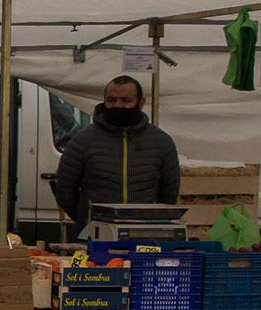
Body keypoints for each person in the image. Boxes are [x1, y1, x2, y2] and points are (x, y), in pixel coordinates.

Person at [54, 75, 181, 226]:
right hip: (95, 234)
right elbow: (64, 190)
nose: (118, 106)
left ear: (140, 103)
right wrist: (87, 220)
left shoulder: (161, 142)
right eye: (111, 100)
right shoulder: (82, 141)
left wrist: (152, 221)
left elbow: (169, 191)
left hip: (145, 234)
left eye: (126, 100)